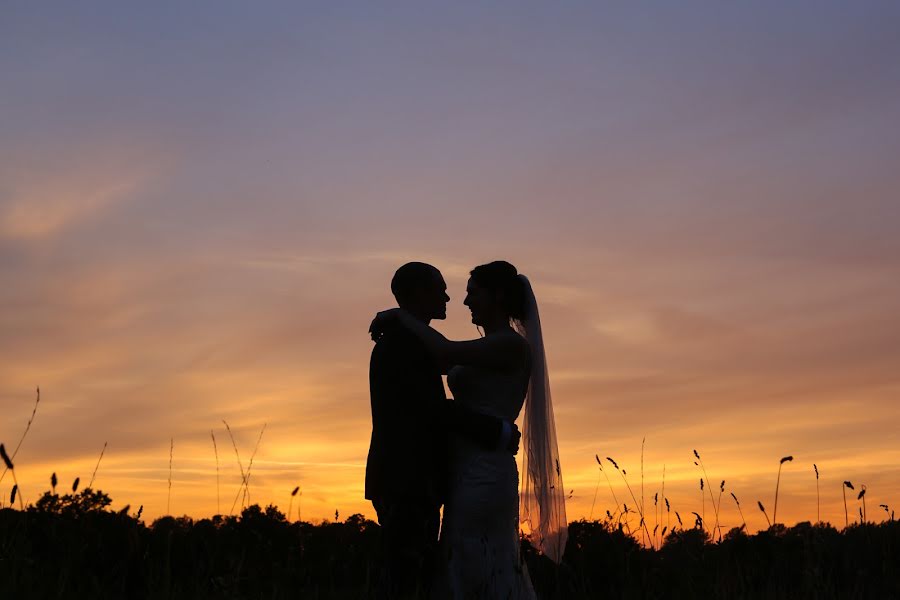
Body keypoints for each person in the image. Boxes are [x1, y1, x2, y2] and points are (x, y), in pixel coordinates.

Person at [370, 260, 567, 599]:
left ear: (499, 297)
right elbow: (437, 371)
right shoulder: (473, 349)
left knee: (476, 559)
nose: (463, 302)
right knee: (457, 560)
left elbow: (445, 353)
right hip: (460, 470)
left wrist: (401, 315)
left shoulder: (511, 345)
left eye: (473, 293)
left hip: (485, 472)